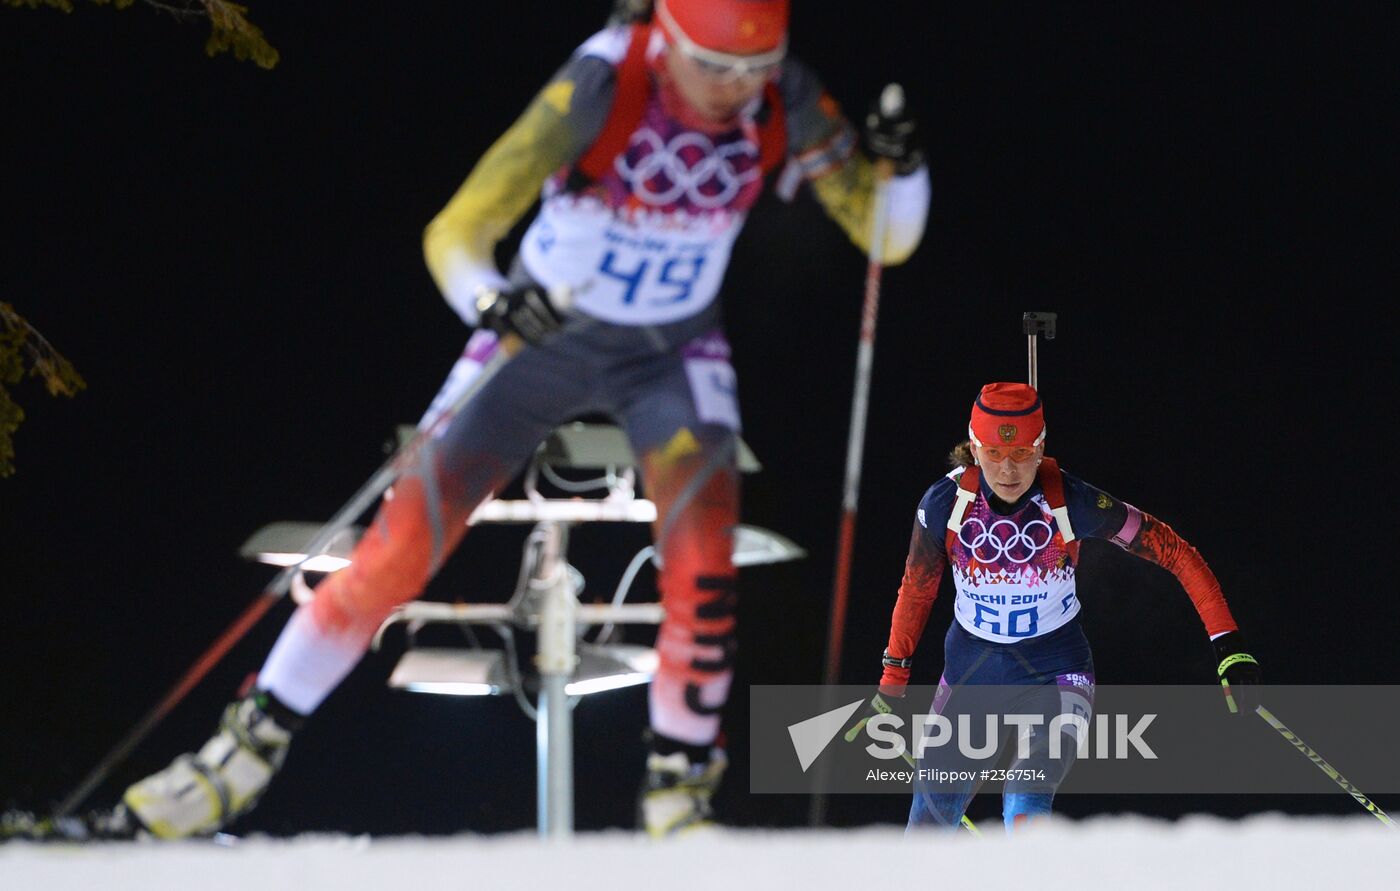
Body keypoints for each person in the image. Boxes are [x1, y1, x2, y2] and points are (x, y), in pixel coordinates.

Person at [119, 0, 931, 839]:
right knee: (400, 545)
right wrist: (492, 300)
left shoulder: (786, 95)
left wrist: (903, 171)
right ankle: (236, 757)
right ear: (668, 41)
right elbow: (456, 231)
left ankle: (679, 791)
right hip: (537, 342)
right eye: (716, 67)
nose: (737, 90)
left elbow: (881, 233)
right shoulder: (599, 82)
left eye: (755, 70)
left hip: (670, 353)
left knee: (704, 553)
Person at [868, 382, 1261, 833]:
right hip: (970, 672)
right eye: (994, 453)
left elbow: (1174, 552)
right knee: (927, 823)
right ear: (975, 448)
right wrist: (893, 681)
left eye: (1022, 453)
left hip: (1055, 672)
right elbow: (917, 589)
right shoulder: (943, 505)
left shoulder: (1073, 502)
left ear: (1041, 447)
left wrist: (1227, 643)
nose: (1009, 469)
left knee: (1025, 799)